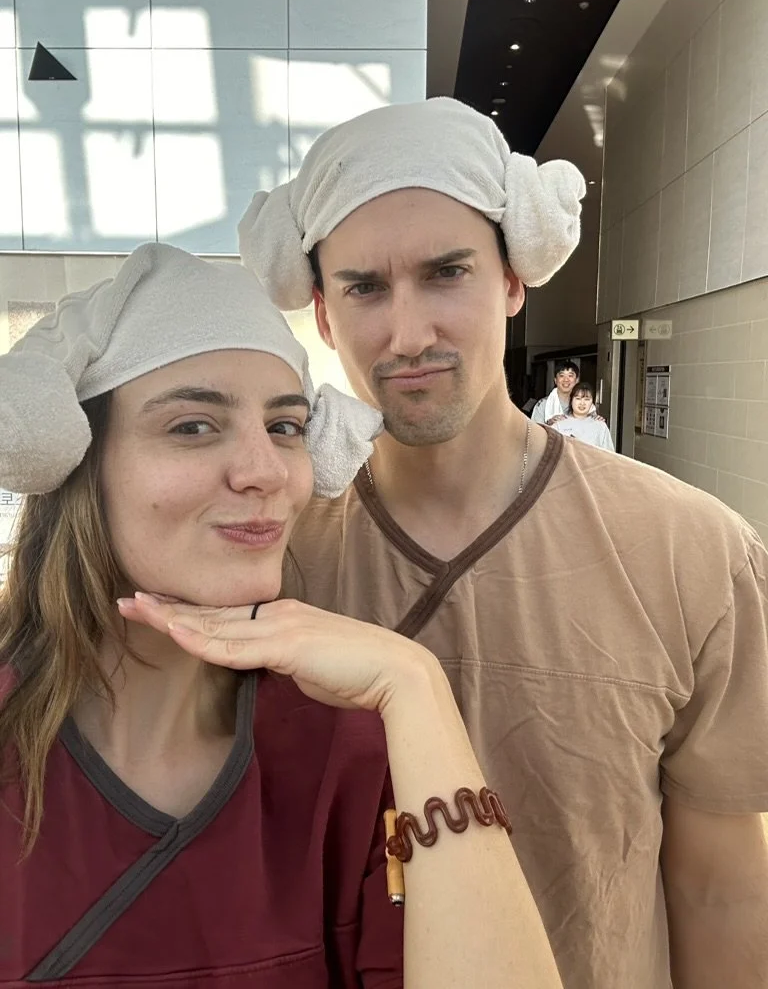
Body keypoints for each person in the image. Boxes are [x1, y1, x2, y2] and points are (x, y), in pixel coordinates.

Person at [226, 97, 768, 988]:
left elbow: (720, 888)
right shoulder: (266, 557)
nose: (409, 334)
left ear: (514, 279)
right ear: (322, 313)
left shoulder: (693, 552)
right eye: (365, 288)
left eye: (446, 273)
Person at [0, 243, 563, 988]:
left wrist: (415, 685)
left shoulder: (346, 755)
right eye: (193, 426)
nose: (265, 471)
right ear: (76, 463)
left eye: (286, 427)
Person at [551, 382, 615, 451]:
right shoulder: (559, 424)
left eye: (587, 399)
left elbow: (609, 454)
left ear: (592, 402)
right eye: (578, 398)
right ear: (571, 400)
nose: (582, 403)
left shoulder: (600, 426)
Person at [530, 360, 579, 425]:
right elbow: (534, 429)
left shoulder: (583, 403)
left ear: (577, 380)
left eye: (570, 375)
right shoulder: (543, 404)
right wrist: (550, 424)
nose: (566, 379)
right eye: (561, 375)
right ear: (555, 380)